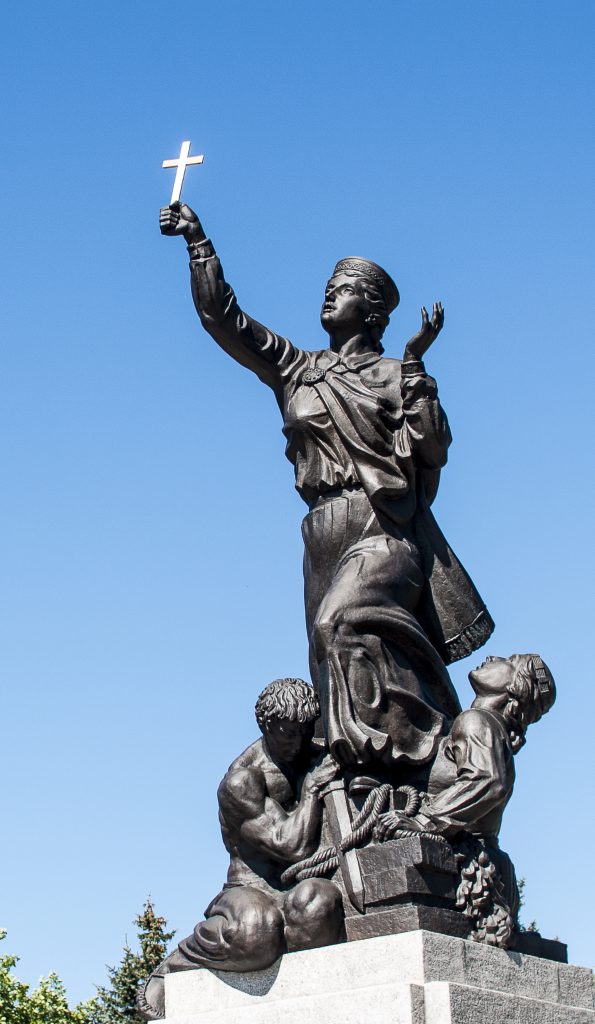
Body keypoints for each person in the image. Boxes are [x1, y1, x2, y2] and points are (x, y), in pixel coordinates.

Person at [159, 202, 494, 776]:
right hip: (321, 530)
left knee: (337, 623)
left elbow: (433, 447)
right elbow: (223, 318)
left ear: (373, 311)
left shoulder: (395, 375)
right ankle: (360, 774)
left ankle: (412, 747)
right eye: (328, 287)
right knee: (327, 656)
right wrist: (198, 243)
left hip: (381, 525)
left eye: (344, 290)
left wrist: (415, 366)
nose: (329, 295)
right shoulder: (298, 369)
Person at [139, 679, 344, 1019]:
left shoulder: (318, 755)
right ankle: (180, 961)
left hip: (302, 883)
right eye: (287, 732)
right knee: (255, 930)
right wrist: (311, 790)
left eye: (304, 731)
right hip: (252, 887)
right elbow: (290, 845)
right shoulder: (243, 780)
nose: (297, 742)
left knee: (320, 906)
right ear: (266, 725)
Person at [376, 652, 556, 841]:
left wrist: (424, 821)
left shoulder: (477, 721)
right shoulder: (492, 730)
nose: (493, 657)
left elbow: (489, 781)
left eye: (510, 661)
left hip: (456, 852)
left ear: (516, 687)